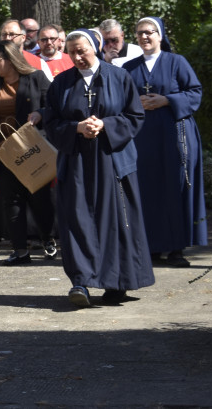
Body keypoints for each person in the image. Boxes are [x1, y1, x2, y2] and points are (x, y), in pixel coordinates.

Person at [45, 29, 155, 307]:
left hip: (113, 160)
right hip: (77, 161)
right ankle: (80, 282)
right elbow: (51, 123)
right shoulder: (60, 84)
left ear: (95, 46)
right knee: (77, 220)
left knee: (116, 221)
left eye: (82, 50)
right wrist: (76, 128)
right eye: (72, 52)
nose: (78, 57)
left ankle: (116, 283)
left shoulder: (119, 77)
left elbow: (134, 115)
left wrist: (106, 125)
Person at [123, 17, 207, 267]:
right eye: (140, 33)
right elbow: (119, 99)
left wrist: (167, 100)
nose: (144, 37)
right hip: (141, 138)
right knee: (145, 188)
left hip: (176, 134)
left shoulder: (176, 62)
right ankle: (149, 247)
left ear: (160, 36)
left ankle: (176, 248)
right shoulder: (128, 67)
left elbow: (194, 92)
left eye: (150, 32)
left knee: (175, 186)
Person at [0, 40, 55, 264]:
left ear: (11, 59)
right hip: (4, 152)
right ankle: (20, 250)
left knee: (40, 198)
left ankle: (48, 239)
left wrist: (40, 112)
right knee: (11, 201)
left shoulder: (35, 78)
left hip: (31, 148)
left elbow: (54, 105)